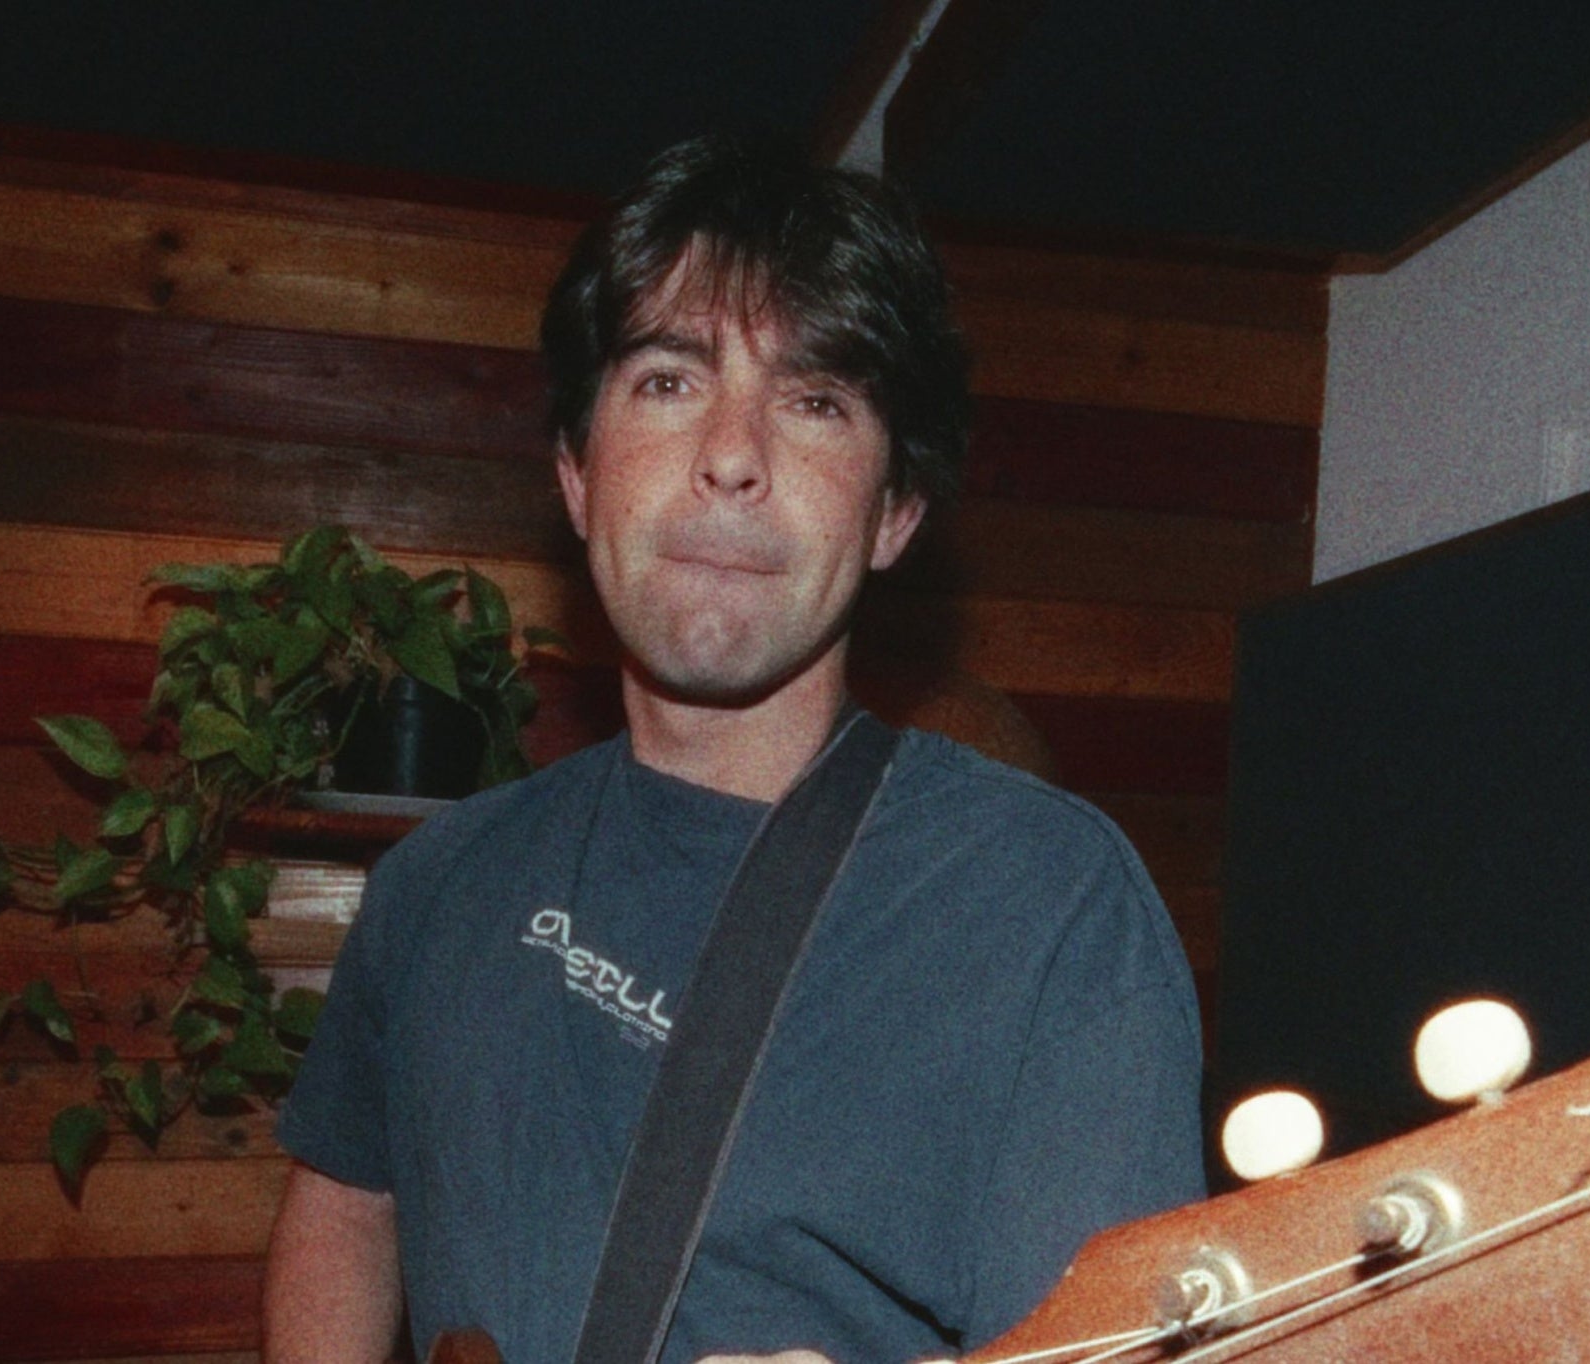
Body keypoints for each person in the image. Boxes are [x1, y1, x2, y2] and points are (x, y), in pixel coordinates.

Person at [261, 134, 1205, 1364]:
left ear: (894, 512)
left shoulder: (1048, 904)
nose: (731, 454)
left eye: (815, 401)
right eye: (668, 379)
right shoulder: (435, 882)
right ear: (575, 473)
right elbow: (345, 1201)